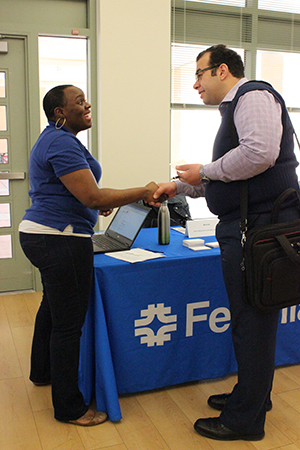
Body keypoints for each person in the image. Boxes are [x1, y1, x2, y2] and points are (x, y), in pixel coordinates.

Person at [153, 44, 300, 441]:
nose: (196, 83)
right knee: (252, 321)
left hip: (258, 230)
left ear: (222, 70)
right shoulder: (238, 107)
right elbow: (235, 175)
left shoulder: (251, 95)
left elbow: (260, 154)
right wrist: (183, 185)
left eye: (199, 74)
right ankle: (252, 396)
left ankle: (245, 419)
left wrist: (204, 171)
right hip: (253, 226)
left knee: (252, 323)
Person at [19, 84, 163, 426]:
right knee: (69, 326)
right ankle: (70, 408)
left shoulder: (59, 139)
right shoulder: (60, 141)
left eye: (85, 100)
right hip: (61, 239)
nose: (87, 105)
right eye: (79, 101)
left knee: (53, 309)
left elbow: (79, 195)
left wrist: (96, 205)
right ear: (60, 112)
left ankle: (43, 372)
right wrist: (142, 191)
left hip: (46, 234)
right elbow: (93, 197)